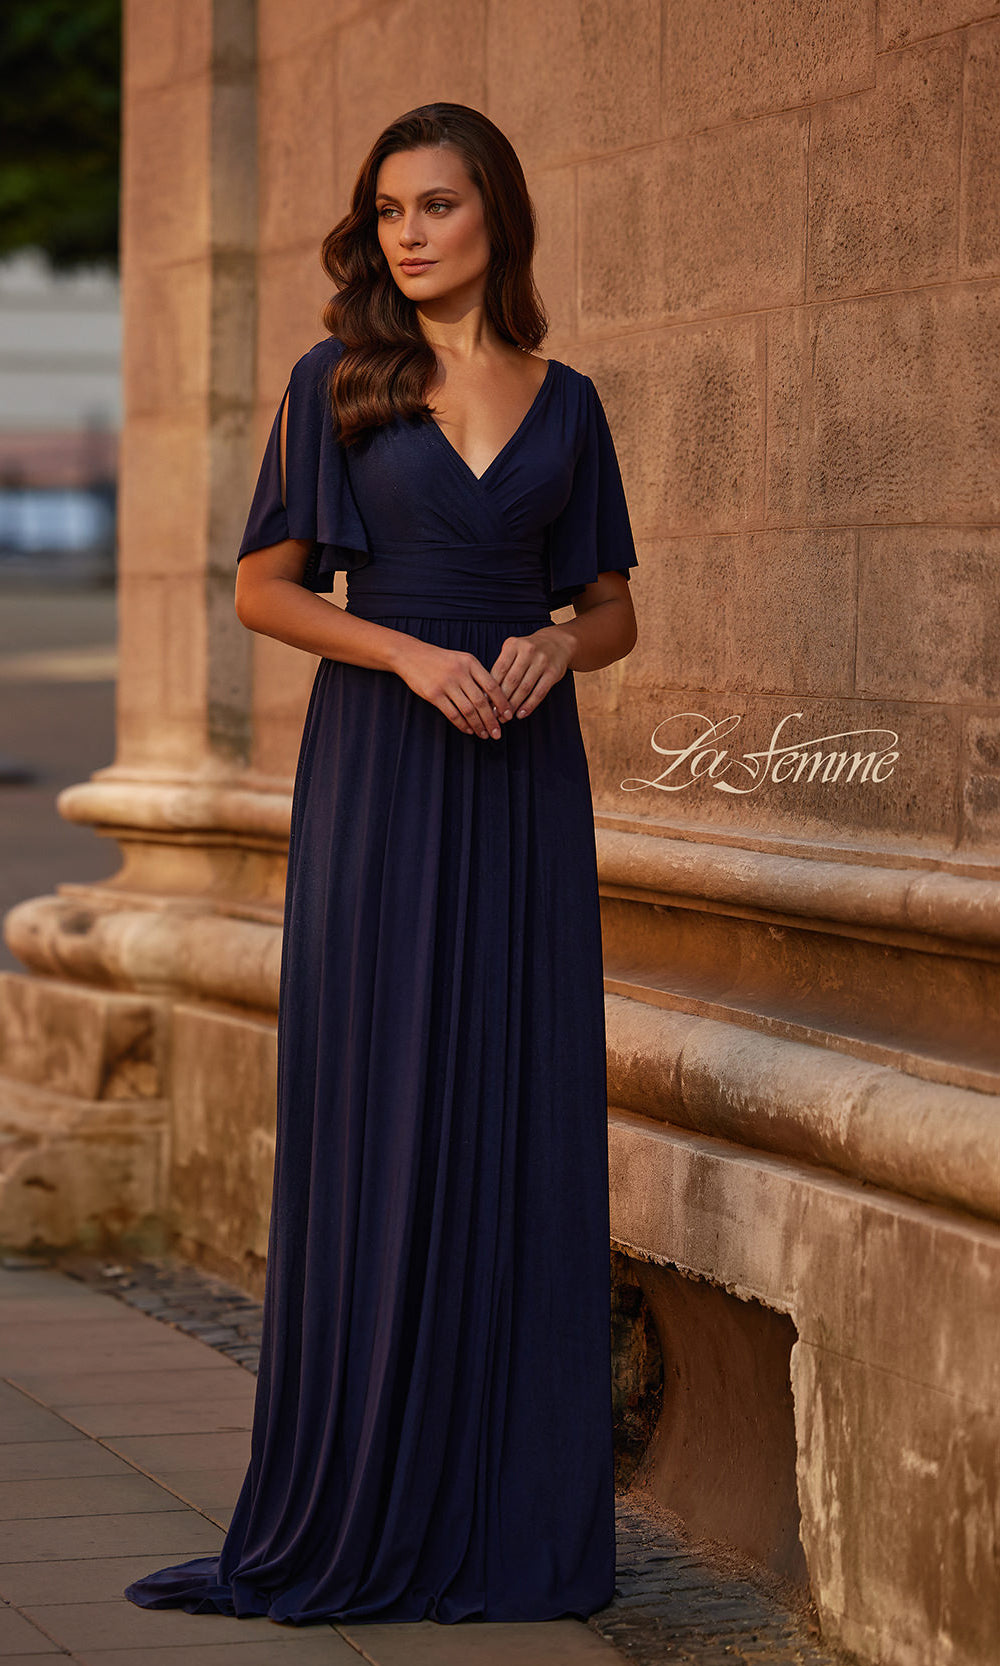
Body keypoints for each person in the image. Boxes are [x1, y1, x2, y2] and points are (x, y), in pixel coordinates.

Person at [123, 100, 638, 1628]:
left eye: (437, 207)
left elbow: (612, 604)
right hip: (388, 769)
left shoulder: (570, 401)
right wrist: (411, 654)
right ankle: (360, 1495)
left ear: (499, 217)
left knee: (519, 1113)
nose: (409, 235)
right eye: (390, 212)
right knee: (384, 1108)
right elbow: (263, 591)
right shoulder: (337, 384)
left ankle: (506, 1519)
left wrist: (554, 642)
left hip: (526, 784)